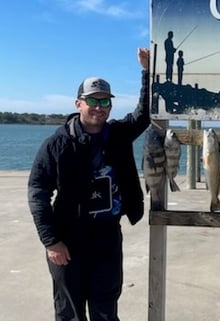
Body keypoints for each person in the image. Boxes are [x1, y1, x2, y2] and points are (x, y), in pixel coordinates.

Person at [28, 48, 151, 321]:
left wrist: (146, 72)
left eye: (105, 101)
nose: (99, 106)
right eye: (93, 100)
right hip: (68, 240)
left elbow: (144, 114)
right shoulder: (56, 144)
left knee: (105, 308)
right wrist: (51, 241)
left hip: (107, 236)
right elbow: (38, 194)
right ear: (78, 104)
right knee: (70, 312)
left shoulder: (118, 134)